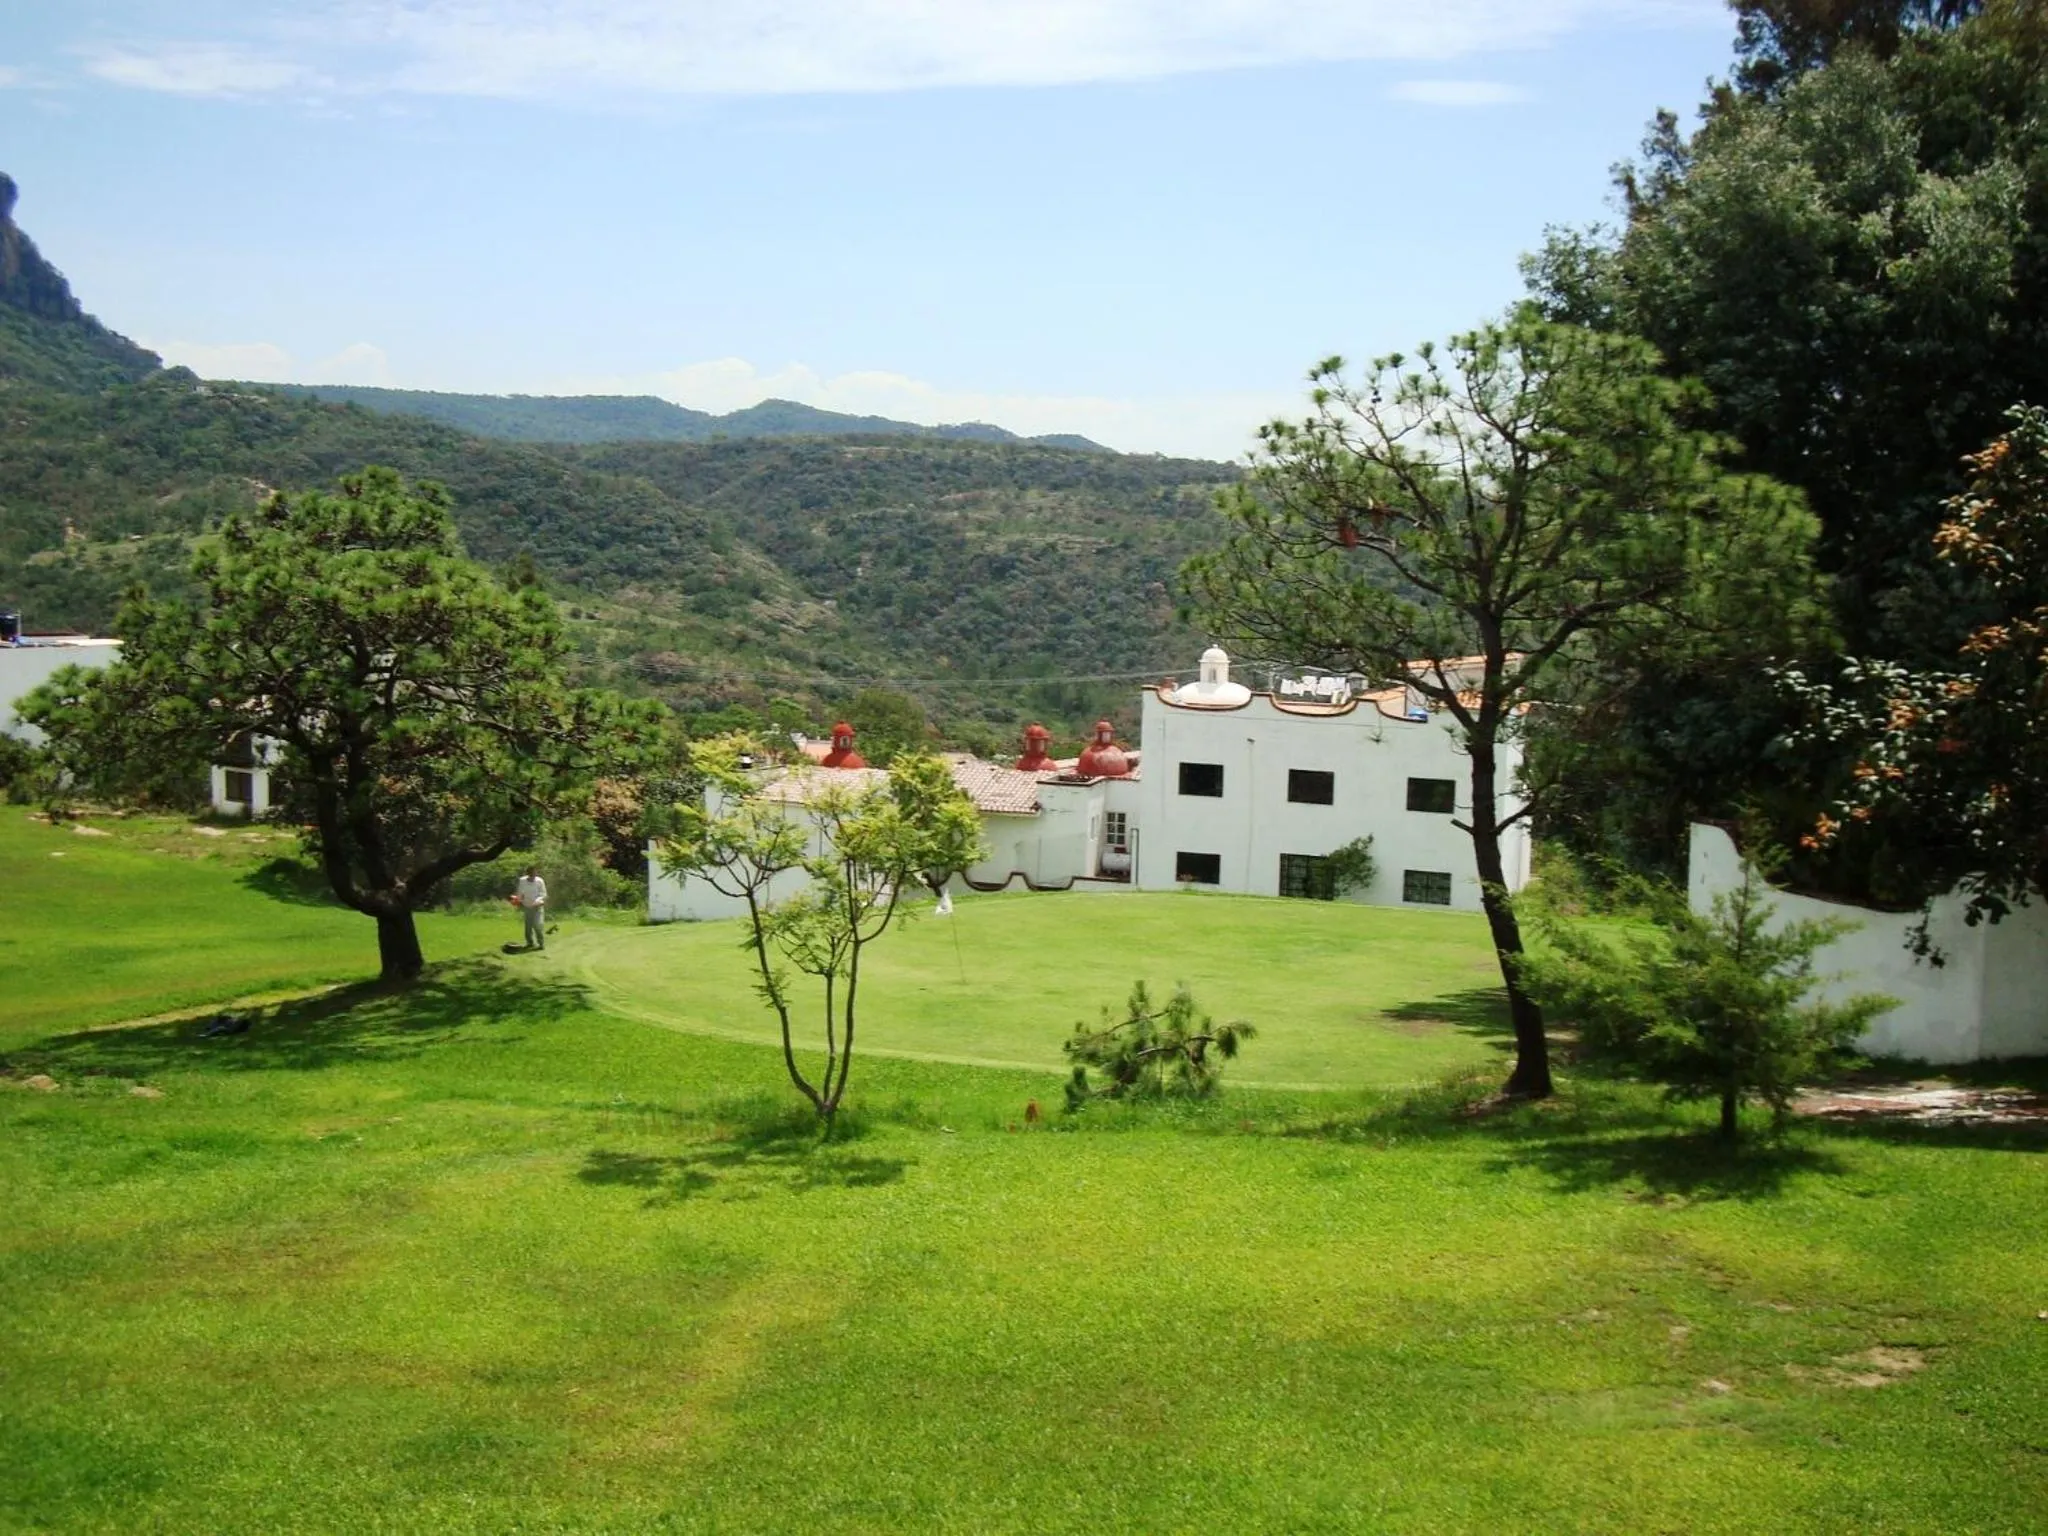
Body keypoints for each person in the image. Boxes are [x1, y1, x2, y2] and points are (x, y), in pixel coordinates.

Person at [513, 865, 547, 951]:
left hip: (537, 907)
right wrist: (518, 900)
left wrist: (538, 900)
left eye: (534, 873)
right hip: (527, 906)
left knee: (538, 925)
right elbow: (520, 893)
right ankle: (530, 943)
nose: (533, 875)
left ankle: (541, 943)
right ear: (527, 874)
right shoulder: (522, 881)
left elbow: (543, 894)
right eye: (531, 874)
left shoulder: (540, 881)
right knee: (528, 927)